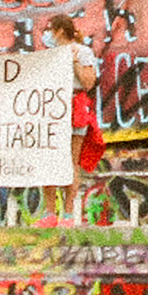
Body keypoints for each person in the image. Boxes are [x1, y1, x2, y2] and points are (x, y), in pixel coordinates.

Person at [44, 15, 104, 220]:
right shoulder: (50, 52)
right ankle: (49, 212)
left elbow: (88, 82)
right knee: (49, 159)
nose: (48, 34)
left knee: (72, 160)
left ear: (60, 31)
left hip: (75, 105)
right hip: (53, 106)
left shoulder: (83, 51)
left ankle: (68, 213)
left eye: (51, 30)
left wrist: (75, 59)